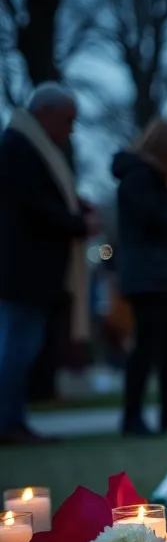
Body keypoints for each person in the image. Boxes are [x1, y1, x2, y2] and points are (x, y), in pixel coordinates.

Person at [0, 83, 95, 445]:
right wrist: (76, 223)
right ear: (45, 112)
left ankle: (13, 419)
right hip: (24, 270)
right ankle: (8, 422)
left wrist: (75, 209)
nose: (69, 130)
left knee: (22, 346)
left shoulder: (26, 147)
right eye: (68, 120)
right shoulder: (18, 148)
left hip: (32, 271)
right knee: (17, 347)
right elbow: (31, 205)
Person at [112, 119, 167, 436]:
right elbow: (150, 221)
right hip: (147, 276)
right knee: (146, 347)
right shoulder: (137, 178)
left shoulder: (161, 182)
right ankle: (132, 416)